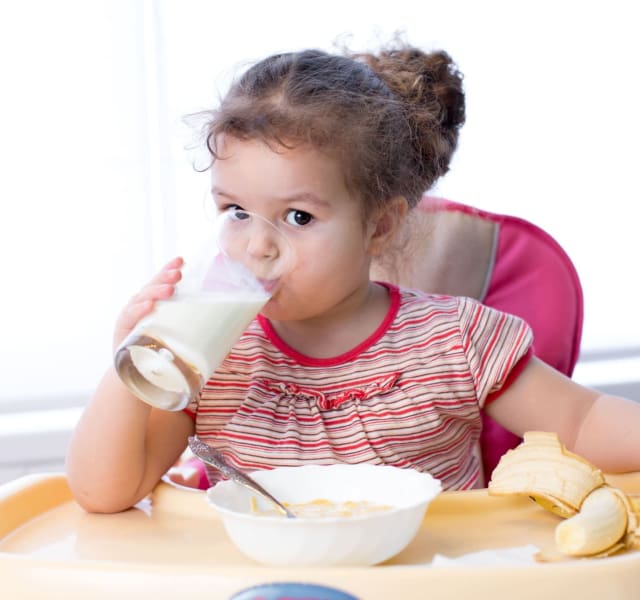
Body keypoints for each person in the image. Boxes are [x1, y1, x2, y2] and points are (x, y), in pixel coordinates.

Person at [66, 40, 640, 514]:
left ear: (379, 227)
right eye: (235, 211)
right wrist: (131, 362)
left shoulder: (454, 341)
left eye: (298, 217)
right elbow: (104, 492)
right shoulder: (211, 356)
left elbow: (584, 421)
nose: (258, 245)